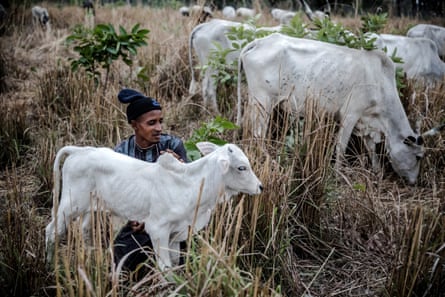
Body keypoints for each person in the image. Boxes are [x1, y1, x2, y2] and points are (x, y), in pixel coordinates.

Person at [113, 88, 188, 278]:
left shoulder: (172, 146)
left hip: (170, 219)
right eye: (151, 123)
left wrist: (179, 169)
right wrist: (135, 218)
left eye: (160, 121)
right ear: (135, 125)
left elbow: (187, 190)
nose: (159, 128)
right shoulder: (121, 153)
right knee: (122, 258)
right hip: (136, 222)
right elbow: (118, 194)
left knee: (180, 259)